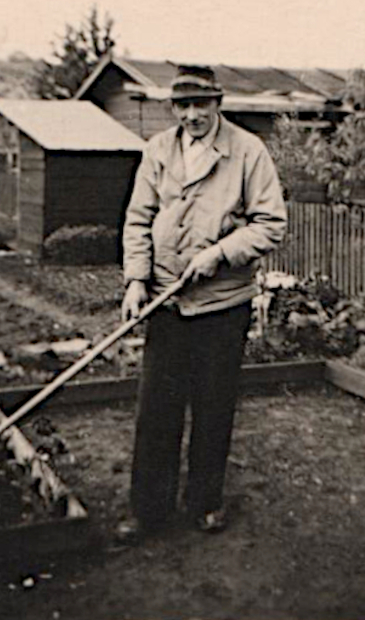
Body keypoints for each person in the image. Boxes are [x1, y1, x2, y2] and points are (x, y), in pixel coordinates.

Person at [117, 64, 286, 543]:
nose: (192, 115)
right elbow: (137, 220)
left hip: (222, 305)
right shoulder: (158, 151)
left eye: (201, 105)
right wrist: (136, 280)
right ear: (173, 108)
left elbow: (270, 224)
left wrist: (219, 254)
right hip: (166, 304)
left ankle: (205, 503)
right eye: (183, 106)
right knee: (157, 411)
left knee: (213, 409)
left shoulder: (248, 152)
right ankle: (148, 511)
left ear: (218, 103)